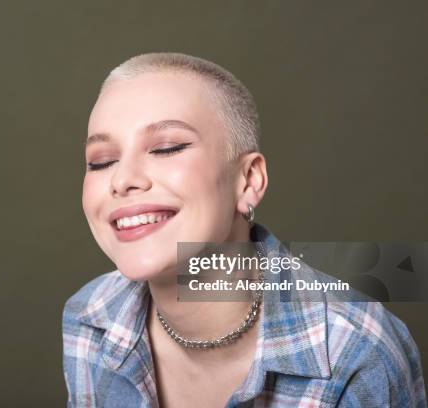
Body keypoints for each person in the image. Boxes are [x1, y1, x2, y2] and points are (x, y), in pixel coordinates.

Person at [62, 52, 426, 407]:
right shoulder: (89, 318)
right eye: (102, 161)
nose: (123, 179)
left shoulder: (356, 353)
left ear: (249, 180)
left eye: (167, 148)